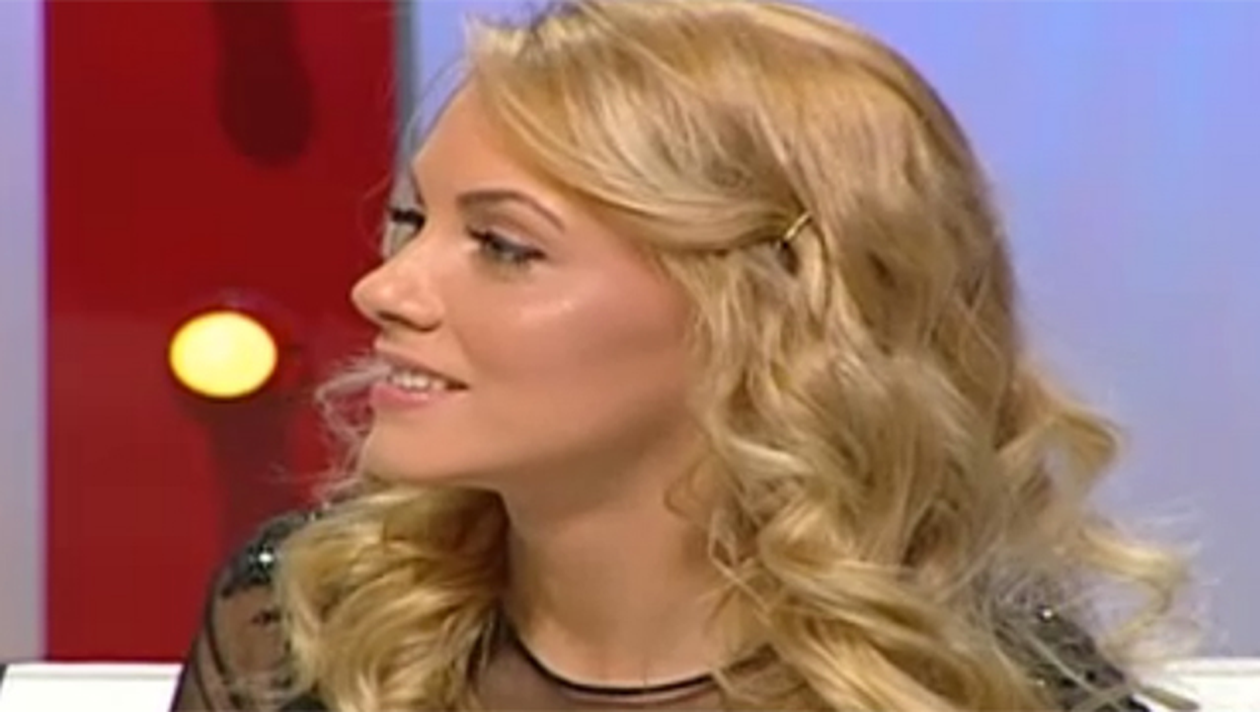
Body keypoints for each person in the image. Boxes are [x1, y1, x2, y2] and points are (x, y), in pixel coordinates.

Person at [168, 1, 1191, 710]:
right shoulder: (303, 626)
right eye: (410, 221)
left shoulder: (993, 689)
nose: (384, 288)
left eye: (504, 246)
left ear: (767, 308)